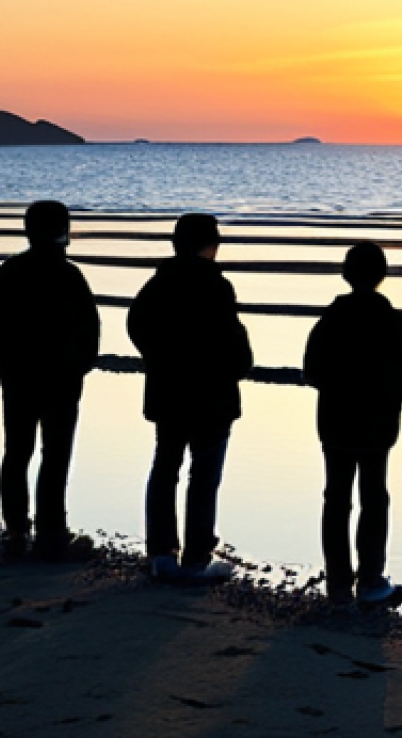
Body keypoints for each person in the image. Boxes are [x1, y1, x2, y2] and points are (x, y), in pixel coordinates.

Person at [128, 213, 253, 583]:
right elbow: (233, 343)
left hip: (169, 392)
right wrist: (237, 365)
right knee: (203, 475)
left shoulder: (159, 284)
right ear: (211, 246)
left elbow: (136, 324)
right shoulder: (217, 287)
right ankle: (197, 554)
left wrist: (157, 356)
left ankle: (161, 551)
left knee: (166, 468)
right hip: (212, 396)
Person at [0, 200, 101, 561]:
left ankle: (17, 528)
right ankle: (51, 530)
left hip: (19, 377)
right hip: (60, 378)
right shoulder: (69, 276)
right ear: (63, 232)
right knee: (55, 454)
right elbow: (90, 327)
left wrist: (3, 365)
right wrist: (82, 365)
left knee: (18, 451)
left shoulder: (8, 273)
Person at [303, 241, 402, 606]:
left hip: (336, 422)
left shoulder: (332, 317)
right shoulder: (388, 318)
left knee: (336, 498)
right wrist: (390, 398)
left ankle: (338, 582)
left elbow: (312, 370)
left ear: (345, 274)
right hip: (376, 425)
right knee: (373, 498)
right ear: (382, 275)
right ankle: (369, 579)